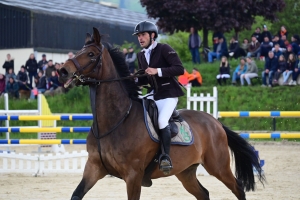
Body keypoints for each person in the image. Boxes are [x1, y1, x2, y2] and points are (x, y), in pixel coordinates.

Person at [132, 20, 184, 174]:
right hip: (154, 94)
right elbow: (143, 78)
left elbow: (179, 68)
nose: (140, 38)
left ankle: (165, 157)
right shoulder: (141, 55)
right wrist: (133, 79)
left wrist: (158, 71)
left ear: (152, 35)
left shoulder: (163, 49)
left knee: (162, 120)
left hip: (169, 94)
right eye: (138, 36)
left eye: (143, 35)